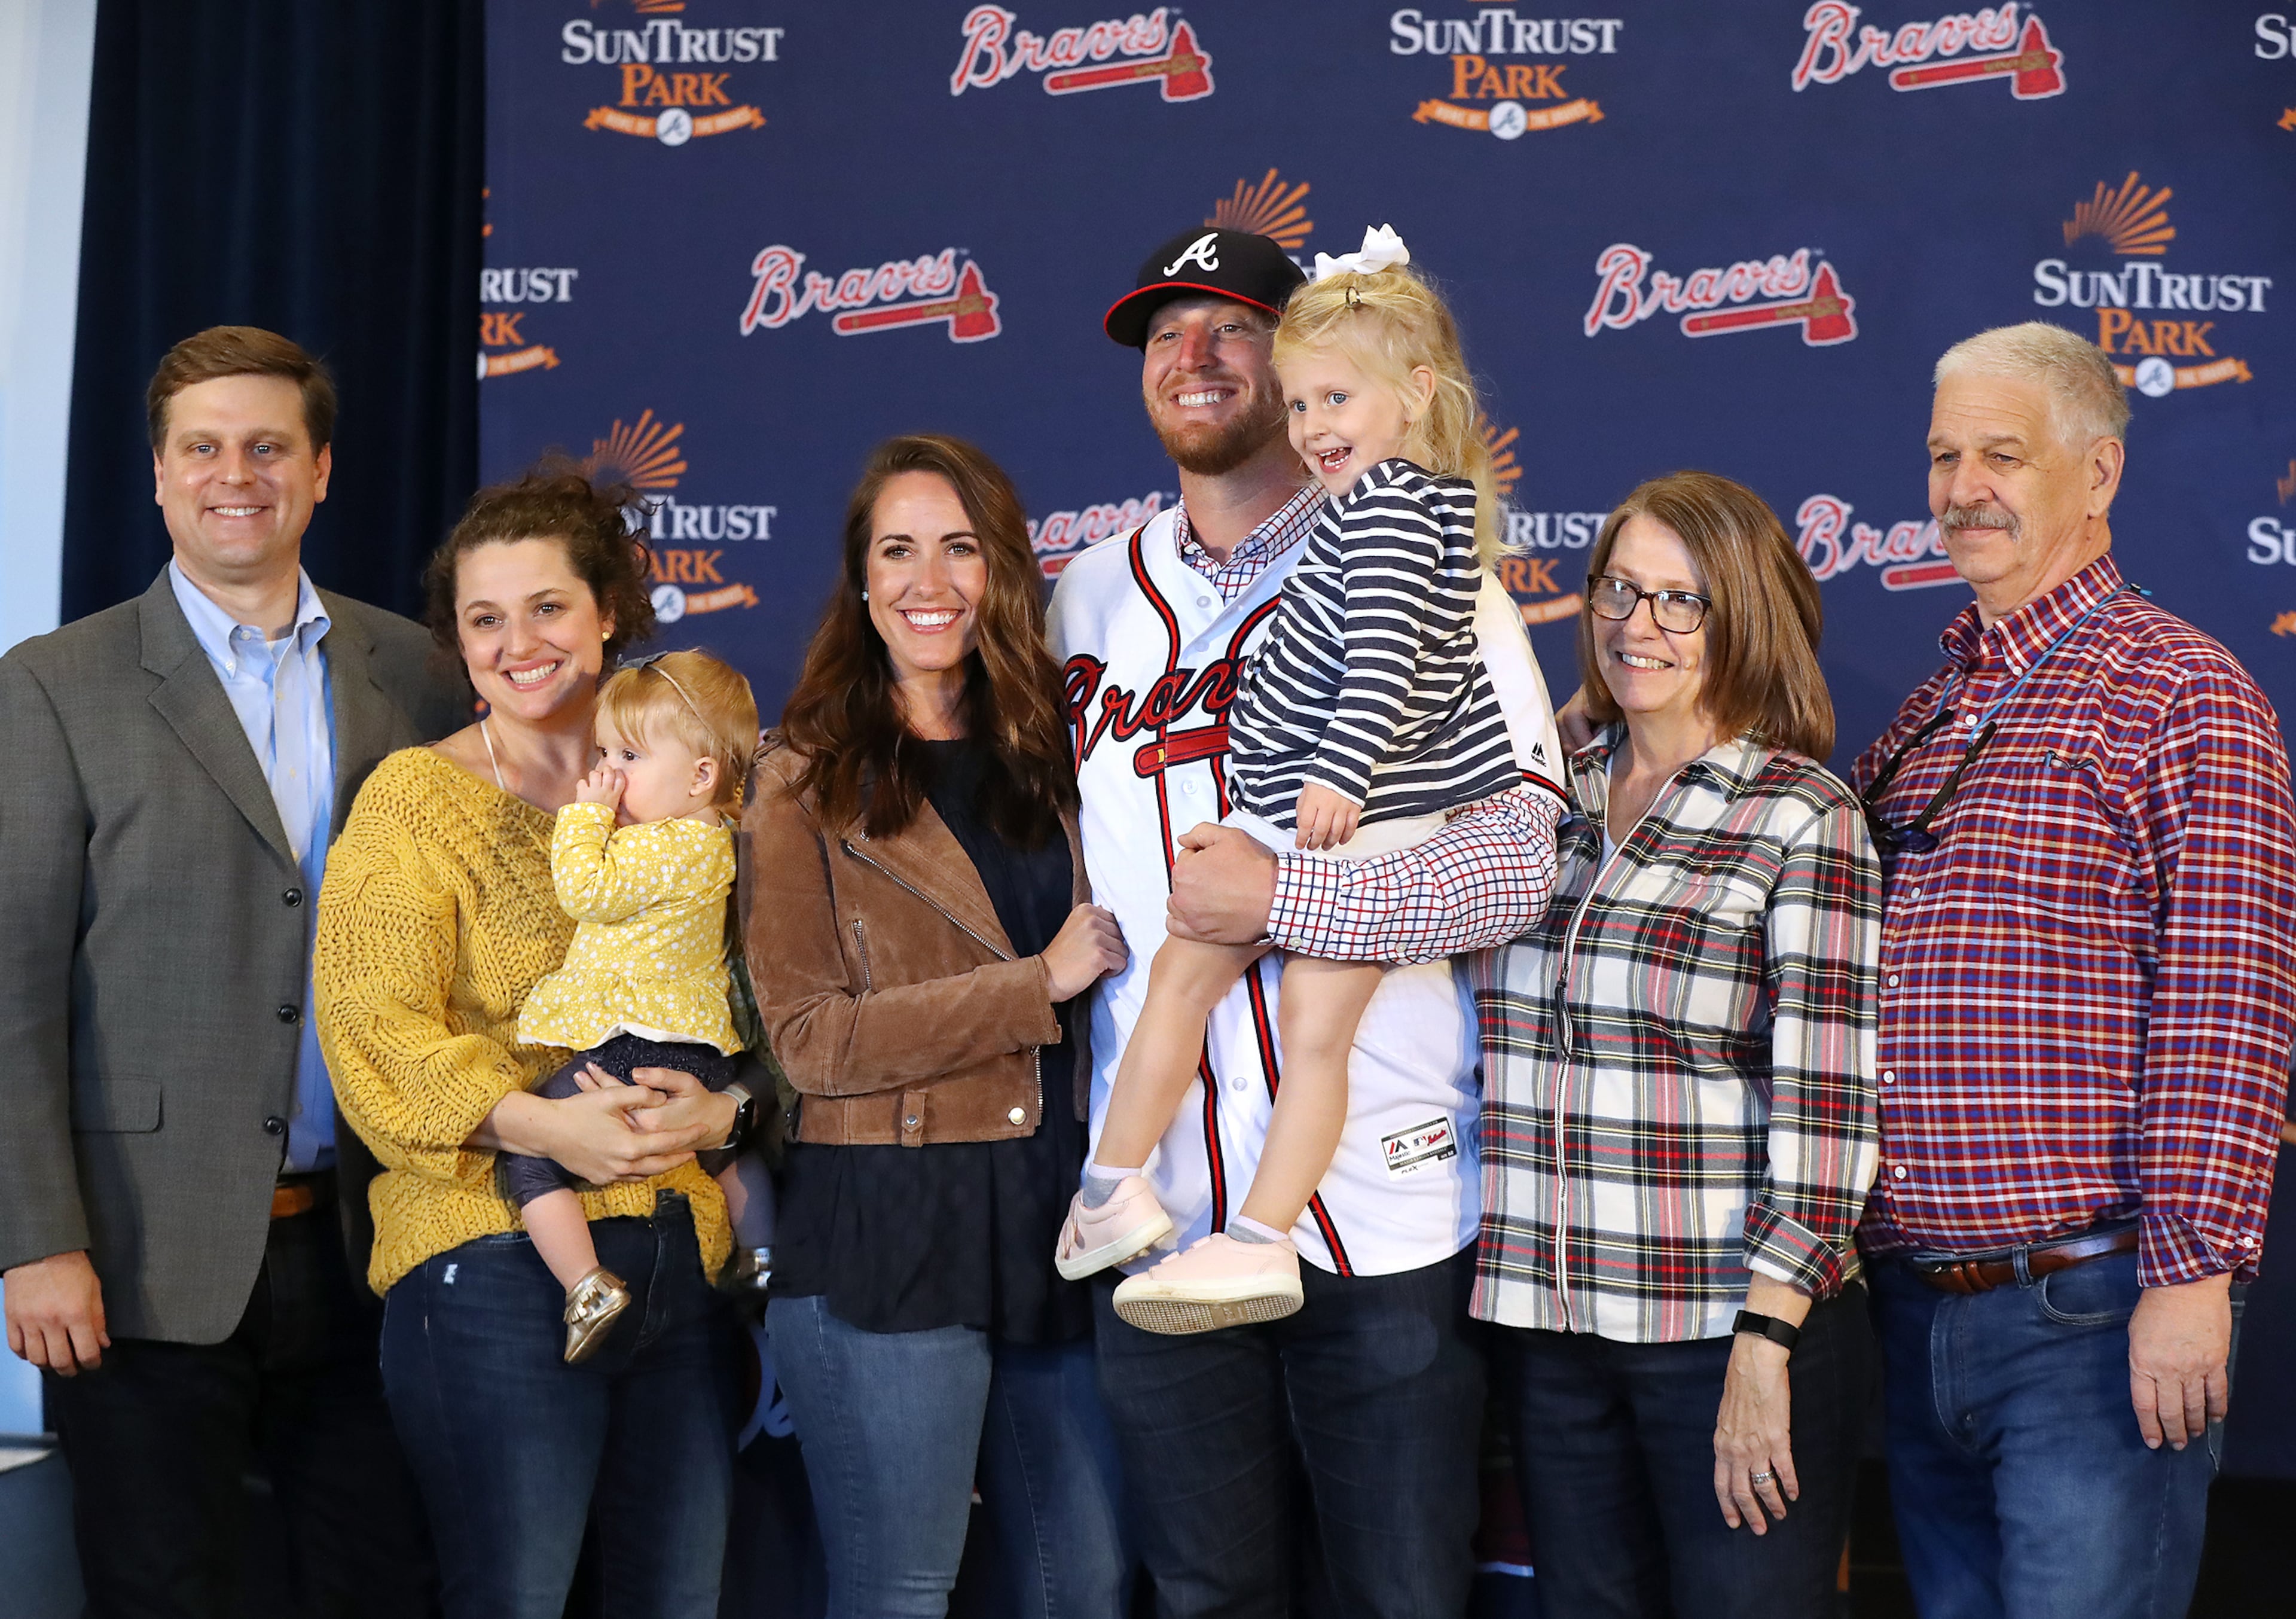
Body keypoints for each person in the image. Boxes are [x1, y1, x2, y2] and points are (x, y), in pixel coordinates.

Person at [1047, 226, 1565, 1616]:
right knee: (1208, 1592)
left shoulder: (1423, 563)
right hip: (1161, 1219)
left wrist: (1290, 895)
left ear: (1305, 369)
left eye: (1230, 327)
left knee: (1396, 1593)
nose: (1192, 355)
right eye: (1163, 334)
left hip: (1378, 1209)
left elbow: (1521, 858)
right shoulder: (1085, 595)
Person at [0, 326, 454, 1618]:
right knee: (163, 1595)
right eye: (202, 448)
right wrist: (34, 1242)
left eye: (266, 447)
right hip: (137, 1261)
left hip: (377, 1241)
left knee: (383, 1587)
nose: (233, 474)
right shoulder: (50, 687)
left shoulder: (416, 673)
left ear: (320, 471)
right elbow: (9, 986)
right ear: (158, 476)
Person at [1850, 323, 2296, 1618]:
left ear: (2097, 473)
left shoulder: (2182, 691)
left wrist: (2193, 1273)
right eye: (1943, 456)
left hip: (2092, 1317)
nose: (1960, 488)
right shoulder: (1933, 708)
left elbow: (2232, 1000)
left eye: (2003, 454)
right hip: (1916, 1306)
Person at [315, 463, 758, 1619]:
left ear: (609, 608)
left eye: (548, 607)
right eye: (484, 619)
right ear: (456, 645)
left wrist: (731, 1110)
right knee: (514, 1597)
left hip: (679, 1242)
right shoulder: (413, 800)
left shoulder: (716, 801)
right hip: (492, 1249)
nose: (519, 642)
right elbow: (371, 1025)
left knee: (681, 1598)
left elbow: (782, 1008)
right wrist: (542, 1122)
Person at [1470, 471, 1880, 1617]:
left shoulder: (1801, 814)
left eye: (1678, 600)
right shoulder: (1543, 797)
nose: (1635, 625)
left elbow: (1831, 1110)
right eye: (1618, 589)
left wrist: (1766, 1347)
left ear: (1740, 614)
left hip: (1724, 1327)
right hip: (1549, 1323)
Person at [747, 433, 1131, 1618]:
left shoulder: (1068, 753)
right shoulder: (802, 777)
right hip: (884, 1233)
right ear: (861, 582)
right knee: (903, 1592)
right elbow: (811, 1040)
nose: (929, 579)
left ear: (1002, 570)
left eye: (959, 547)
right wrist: (1035, 985)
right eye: (898, 549)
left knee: (1090, 1583)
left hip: (1051, 1224)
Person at [509, 649, 771, 1362]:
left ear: (700, 775)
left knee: (532, 1157)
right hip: (697, 1048)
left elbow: (584, 891)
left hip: (635, 1040)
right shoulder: (718, 838)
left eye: (629, 754)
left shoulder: (664, 844)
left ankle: (586, 1282)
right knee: (722, 1150)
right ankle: (763, 1254)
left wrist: (584, 816)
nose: (608, 773)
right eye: (603, 752)